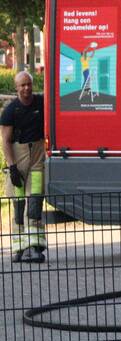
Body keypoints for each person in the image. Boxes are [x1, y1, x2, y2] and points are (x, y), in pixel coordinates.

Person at [1, 70, 46, 263]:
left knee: (35, 203)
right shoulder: (11, 110)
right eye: (22, 85)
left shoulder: (41, 103)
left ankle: (35, 249)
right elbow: (5, 141)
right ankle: (19, 249)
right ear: (16, 87)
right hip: (18, 160)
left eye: (29, 84)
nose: (26, 88)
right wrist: (12, 168)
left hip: (37, 157)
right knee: (18, 206)